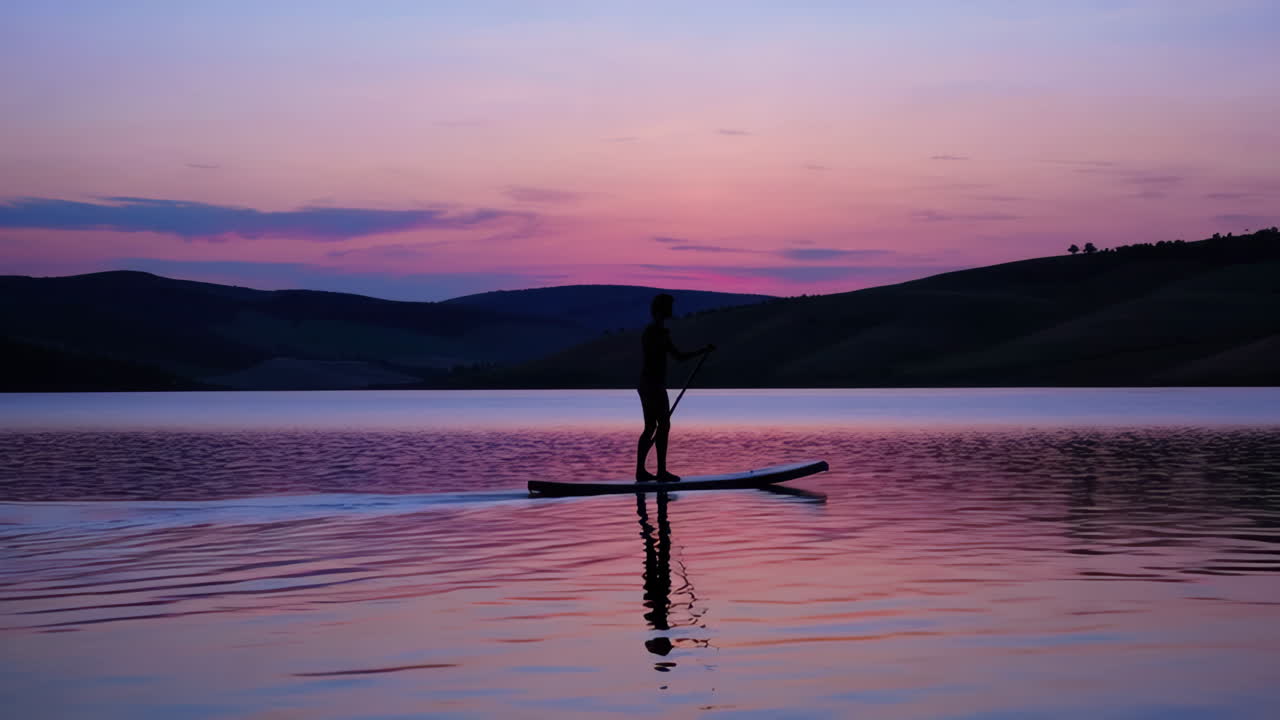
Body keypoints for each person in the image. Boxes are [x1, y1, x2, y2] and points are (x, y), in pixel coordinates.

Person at [636, 293, 714, 482]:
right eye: (669, 306)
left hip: (654, 385)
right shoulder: (652, 332)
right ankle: (652, 472)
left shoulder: (661, 332)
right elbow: (654, 353)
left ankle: (651, 471)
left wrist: (702, 352)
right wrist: (663, 340)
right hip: (650, 385)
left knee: (658, 426)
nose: (672, 309)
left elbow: (678, 357)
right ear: (661, 309)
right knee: (656, 426)